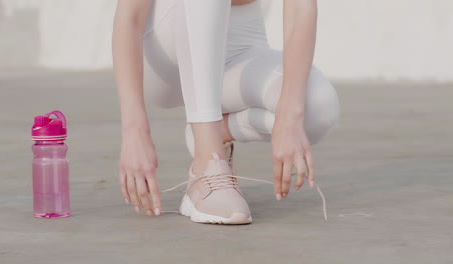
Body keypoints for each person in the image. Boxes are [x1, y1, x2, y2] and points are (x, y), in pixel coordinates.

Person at [112, 0, 340, 224]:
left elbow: (301, 7)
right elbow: (129, 18)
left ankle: (216, 131)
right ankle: (207, 164)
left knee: (317, 107)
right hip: (162, 53)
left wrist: (289, 118)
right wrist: (134, 132)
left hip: (240, 47)